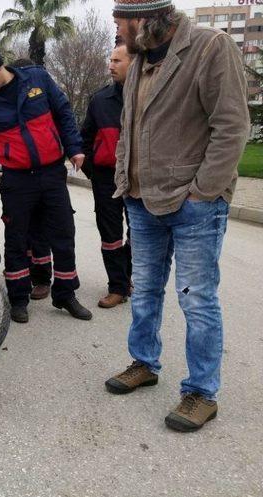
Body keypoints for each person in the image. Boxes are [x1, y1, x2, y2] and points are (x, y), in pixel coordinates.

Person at [105, 0, 249, 432]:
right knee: (145, 289)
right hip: (141, 199)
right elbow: (131, 124)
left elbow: (232, 126)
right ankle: (144, 363)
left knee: (196, 299)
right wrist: (123, 179)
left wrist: (204, 192)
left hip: (193, 206)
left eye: (121, 24)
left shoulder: (210, 47)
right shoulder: (142, 58)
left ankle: (202, 392)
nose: (119, 35)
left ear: (145, 19)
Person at [0, 44, 92, 323]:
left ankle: (66, 294)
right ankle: (18, 298)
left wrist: (74, 147)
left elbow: (63, 112)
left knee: (63, 234)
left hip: (51, 174)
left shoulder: (36, 79)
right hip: (16, 179)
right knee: (17, 239)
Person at [81, 42, 133, 309]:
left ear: (134, 62)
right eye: (110, 60)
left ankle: (127, 277)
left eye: (117, 61)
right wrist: (94, 171)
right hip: (106, 179)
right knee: (110, 235)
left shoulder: (149, 96)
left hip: (141, 180)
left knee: (139, 234)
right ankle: (117, 287)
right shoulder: (100, 100)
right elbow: (85, 139)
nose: (110, 65)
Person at [10, 57, 53, 302]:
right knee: (19, 232)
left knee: (41, 231)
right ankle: (22, 277)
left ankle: (43, 278)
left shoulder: (42, 98)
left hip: (45, 174)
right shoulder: (9, 103)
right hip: (18, 178)